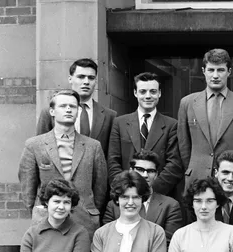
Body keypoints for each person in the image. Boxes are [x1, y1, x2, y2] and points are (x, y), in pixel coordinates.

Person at [20, 90, 108, 234]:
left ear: (78, 111)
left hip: (84, 220)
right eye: (63, 106)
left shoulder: (93, 146)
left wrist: (88, 209)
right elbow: (28, 187)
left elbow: (100, 187)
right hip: (47, 219)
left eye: (72, 106)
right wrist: (39, 210)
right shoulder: (35, 145)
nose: (68, 109)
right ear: (52, 111)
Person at [177, 48, 233, 195]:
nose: (215, 75)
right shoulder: (187, 103)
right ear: (203, 71)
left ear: (229, 72)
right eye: (211, 70)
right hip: (197, 179)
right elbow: (184, 146)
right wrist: (195, 168)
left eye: (220, 70)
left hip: (232, 182)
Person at [107, 72, 181, 198]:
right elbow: (113, 161)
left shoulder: (172, 125)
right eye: (143, 91)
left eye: (153, 91)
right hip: (126, 195)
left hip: (158, 196)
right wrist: (125, 190)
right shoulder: (119, 123)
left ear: (159, 93)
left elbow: (174, 164)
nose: (148, 96)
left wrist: (151, 192)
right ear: (135, 93)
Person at [36, 58, 117, 157]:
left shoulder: (110, 116)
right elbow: (41, 149)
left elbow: (111, 155)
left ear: (95, 81)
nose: (86, 82)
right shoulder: (50, 112)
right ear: (70, 79)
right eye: (81, 77)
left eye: (91, 78)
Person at [102, 150, 184, 242]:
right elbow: (107, 239)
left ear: (156, 175)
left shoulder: (170, 206)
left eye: (150, 171)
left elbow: (168, 243)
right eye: (140, 169)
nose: (145, 175)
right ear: (131, 170)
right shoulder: (114, 205)